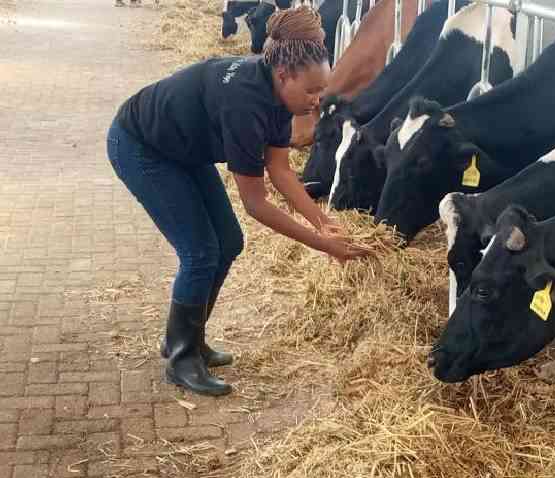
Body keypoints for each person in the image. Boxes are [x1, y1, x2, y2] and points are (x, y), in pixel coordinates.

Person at [106, 6, 367, 396]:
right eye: (312, 91)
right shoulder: (245, 102)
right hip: (142, 146)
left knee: (228, 242)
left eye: (321, 90)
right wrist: (323, 245)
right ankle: (182, 360)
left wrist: (323, 222)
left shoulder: (281, 97)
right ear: (284, 74)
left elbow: (281, 171)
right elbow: (255, 203)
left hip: (182, 149)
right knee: (200, 252)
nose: (317, 101)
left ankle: (186, 339)